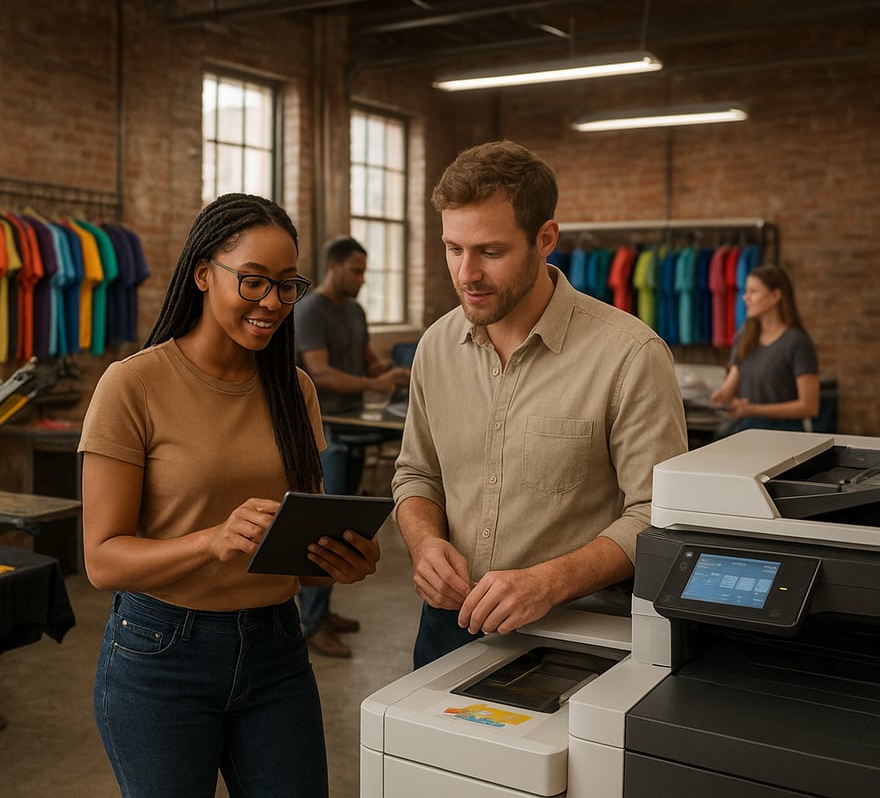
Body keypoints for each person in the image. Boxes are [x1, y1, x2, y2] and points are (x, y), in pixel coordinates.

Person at [78, 193, 382, 798]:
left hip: (275, 647)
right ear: (201, 274)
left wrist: (345, 561)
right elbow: (102, 560)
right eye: (252, 282)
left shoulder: (295, 389)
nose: (272, 303)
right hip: (161, 653)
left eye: (286, 286)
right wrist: (209, 541)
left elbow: (307, 548)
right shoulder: (133, 384)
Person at [392, 141, 688, 669]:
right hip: (448, 623)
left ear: (545, 239)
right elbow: (417, 474)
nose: (466, 274)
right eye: (453, 248)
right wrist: (423, 542)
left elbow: (656, 516)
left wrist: (549, 581)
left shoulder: (630, 355)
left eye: (490, 251)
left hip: (577, 630)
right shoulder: (436, 347)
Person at [293, 235, 409, 658]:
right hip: (323, 432)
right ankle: (312, 621)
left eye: (364, 272)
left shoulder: (356, 311)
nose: (361, 279)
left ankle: (322, 609)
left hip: (353, 427)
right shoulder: (310, 311)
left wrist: (392, 372)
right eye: (356, 271)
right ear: (334, 267)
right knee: (325, 531)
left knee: (346, 529)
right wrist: (372, 383)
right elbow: (320, 373)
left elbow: (367, 360)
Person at [709, 264, 819, 432]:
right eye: (746, 291)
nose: (745, 298)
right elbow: (731, 383)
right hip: (747, 434)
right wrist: (723, 395)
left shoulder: (797, 342)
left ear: (775, 296)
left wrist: (753, 410)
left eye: (753, 291)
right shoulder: (746, 334)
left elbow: (809, 406)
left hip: (786, 438)